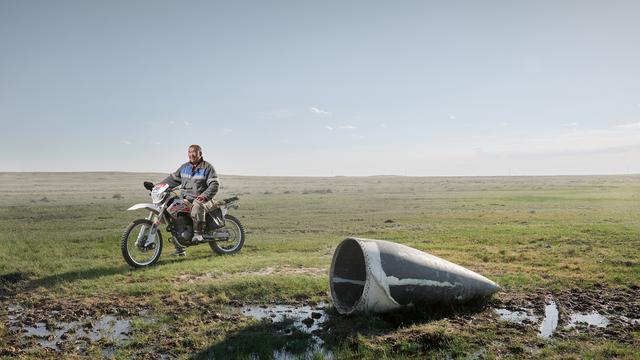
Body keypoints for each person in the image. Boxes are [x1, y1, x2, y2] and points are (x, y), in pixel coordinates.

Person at [160, 144, 220, 256]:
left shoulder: (208, 168)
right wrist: (158, 187)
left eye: (194, 152)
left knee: (197, 204)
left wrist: (204, 196)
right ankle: (180, 249)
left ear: (200, 154)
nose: (191, 154)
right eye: (189, 152)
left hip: (204, 198)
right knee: (172, 211)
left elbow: (214, 185)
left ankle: (198, 233)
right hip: (186, 199)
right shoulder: (184, 167)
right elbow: (172, 180)